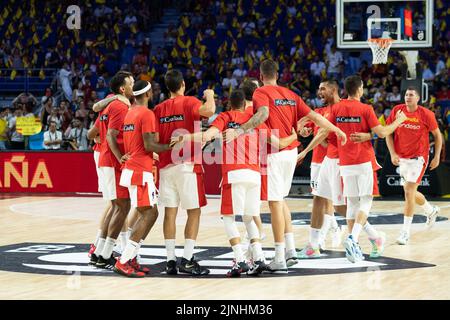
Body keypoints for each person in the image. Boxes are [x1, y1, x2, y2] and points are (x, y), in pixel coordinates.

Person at [224, 59, 347, 273]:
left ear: (261, 77)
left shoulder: (259, 97)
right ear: (278, 74)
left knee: (274, 205)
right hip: (291, 153)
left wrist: (239, 129)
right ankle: (290, 250)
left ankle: (278, 256)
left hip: (274, 155)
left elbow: (264, 119)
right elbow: (316, 117)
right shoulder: (291, 94)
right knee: (280, 202)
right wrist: (337, 130)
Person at [179, 89, 297, 276]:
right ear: (245, 104)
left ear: (229, 104)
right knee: (249, 218)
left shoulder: (225, 117)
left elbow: (207, 135)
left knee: (228, 218)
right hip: (254, 175)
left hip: (234, 173)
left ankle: (240, 260)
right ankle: (259, 259)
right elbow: (279, 144)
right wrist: (295, 136)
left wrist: (185, 137)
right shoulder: (254, 119)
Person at [330, 75, 407, 263]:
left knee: (352, 205)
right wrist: (398, 121)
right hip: (363, 161)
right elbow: (382, 133)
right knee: (365, 203)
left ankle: (368, 241)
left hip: (345, 162)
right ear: (359, 89)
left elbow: (329, 132)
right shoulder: (365, 108)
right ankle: (352, 239)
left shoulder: (336, 108)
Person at [153, 69, 215, 276]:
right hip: (187, 165)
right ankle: (187, 259)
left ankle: (170, 260)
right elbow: (209, 111)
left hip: (165, 166)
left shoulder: (159, 109)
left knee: (169, 213)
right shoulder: (189, 101)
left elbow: (154, 140)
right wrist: (210, 95)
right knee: (194, 211)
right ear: (182, 85)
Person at [114, 80, 176, 277]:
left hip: (132, 167)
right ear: (148, 93)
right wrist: (170, 147)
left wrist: (149, 153)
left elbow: (137, 143)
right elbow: (150, 145)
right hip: (140, 170)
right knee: (150, 213)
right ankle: (124, 259)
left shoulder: (130, 112)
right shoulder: (146, 113)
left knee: (145, 212)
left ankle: (130, 257)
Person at [385, 87, 442, 245]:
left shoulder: (426, 114)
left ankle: (405, 232)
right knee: (409, 191)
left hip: (419, 158)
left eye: (411, 95)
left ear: (418, 98)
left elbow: (438, 135)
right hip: (401, 158)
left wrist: (436, 156)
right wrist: (392, 153)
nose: (407, 97)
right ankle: (431, 210)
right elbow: (388, 133)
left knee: (409, 192)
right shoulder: (397, 110)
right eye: (406, 95)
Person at [88, 71, 134, 269]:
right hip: (112, 161)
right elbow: (111, 136)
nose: (134, 85)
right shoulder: (120, 106)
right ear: (123, 88)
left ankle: (99, 251)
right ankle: (106, 253)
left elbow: (94, 132)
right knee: (122, 206)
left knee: (115, 206)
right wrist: (120, 158)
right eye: (131, 83)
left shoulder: (110, 104)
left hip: (105, 159)